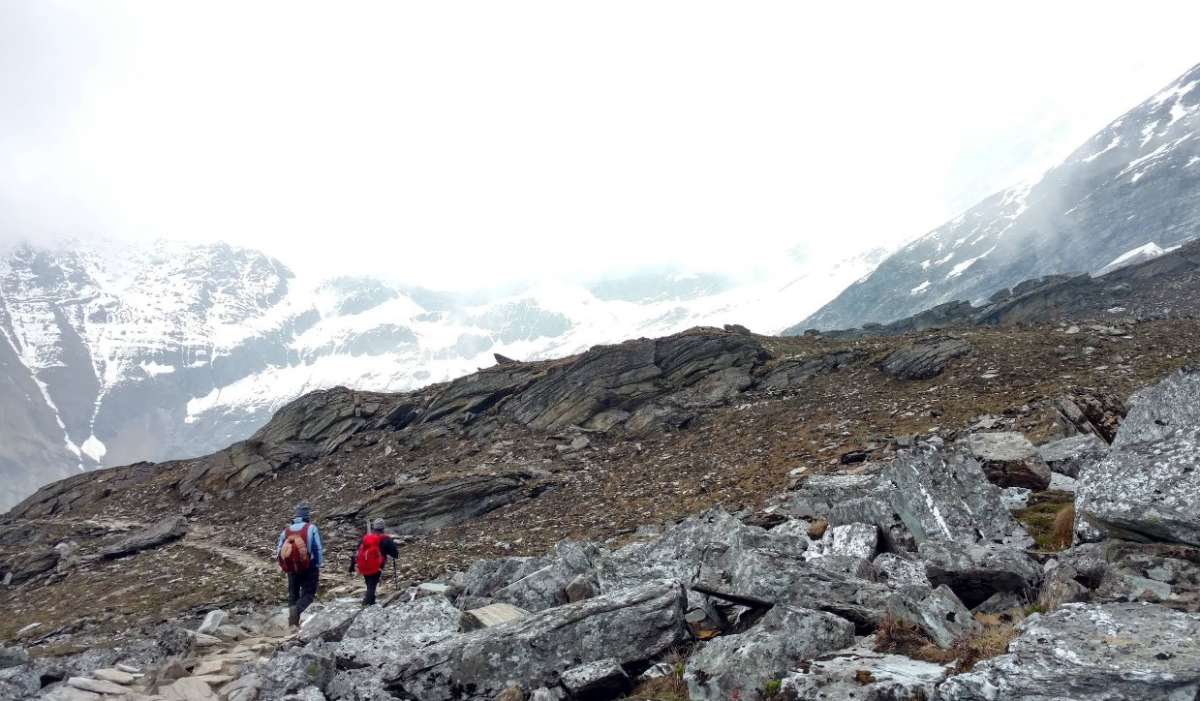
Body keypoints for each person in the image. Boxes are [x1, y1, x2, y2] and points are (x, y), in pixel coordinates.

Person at [275, 503, 323, 627]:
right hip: (309, 566)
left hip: (291, 567)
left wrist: (283, 565)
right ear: (307, 516)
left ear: (296, 516)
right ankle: (297, 610)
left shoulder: (286, 531)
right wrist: (318, 563)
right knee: (308, 593)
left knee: (293, 593)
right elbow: (317, 548)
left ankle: (292, 623)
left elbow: (279, 550)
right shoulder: (311, 528)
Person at [349, 518, 399, 606]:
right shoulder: (386, 538)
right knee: (372, 584)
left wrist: (352, 566)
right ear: (383, 528)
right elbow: (395, 553)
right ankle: (366, 604)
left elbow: (357, 552)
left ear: (374, 527)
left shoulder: (366, 538)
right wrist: (393, 554)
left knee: (369, 582)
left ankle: (371, 601)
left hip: (364, 565)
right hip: (377, 566)